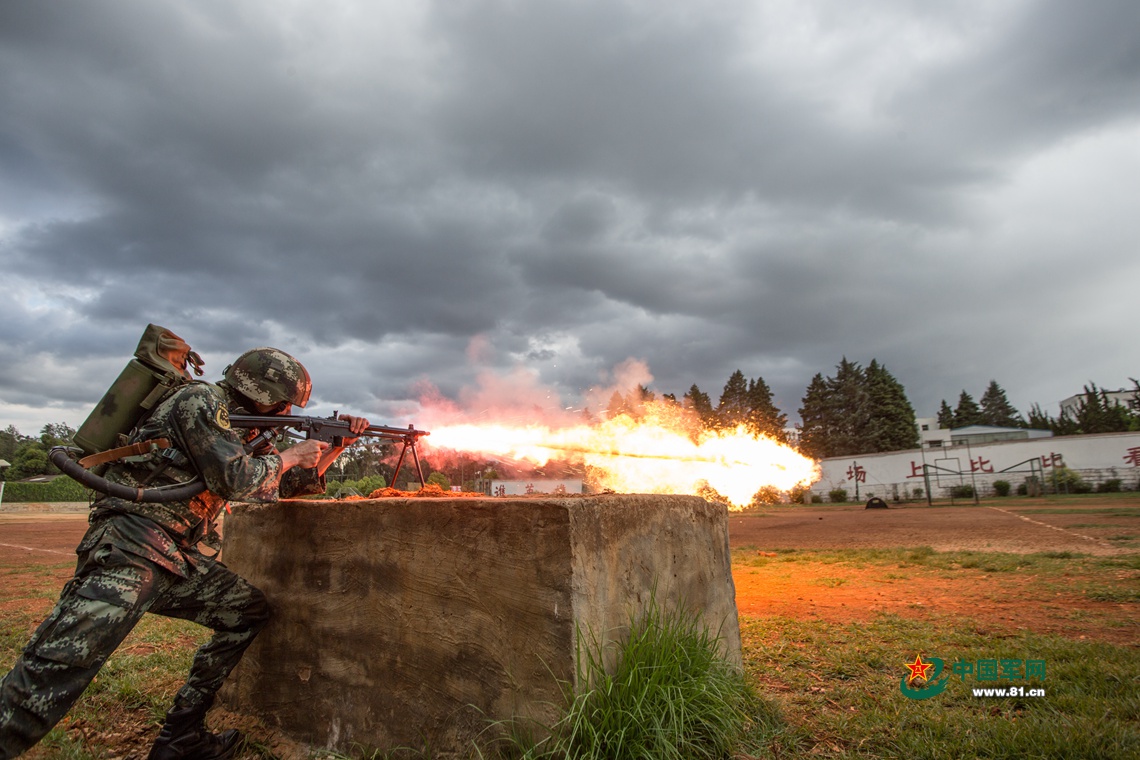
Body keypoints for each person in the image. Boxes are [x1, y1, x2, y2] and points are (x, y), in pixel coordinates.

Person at [0, 347, 368, 760]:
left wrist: (334, 447)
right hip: (132, 548)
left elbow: (277, 488)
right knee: (55, 669)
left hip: (171, 557)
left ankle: (181, 735)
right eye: (285, 405)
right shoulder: (201, 401)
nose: (286, 414)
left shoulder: (240, 430)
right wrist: (291, 454)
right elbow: (236, 480)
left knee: (246, 611)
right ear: (267, 396)